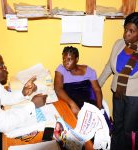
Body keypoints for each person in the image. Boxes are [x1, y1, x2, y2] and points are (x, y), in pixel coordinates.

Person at [0, 50, 47, 149]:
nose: (5, 69)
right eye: (0, 66)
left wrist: (23, 93)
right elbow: (5, 123)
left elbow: (4, 97)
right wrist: (32, 105)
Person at [98, 12, 138, 150]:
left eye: (131, 31)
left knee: (128, 130)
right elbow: (109, 66)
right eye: (125, 29)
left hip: (135, 98)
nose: (126, 34)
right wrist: (97, 85)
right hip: (118, 93)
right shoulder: (119, 44)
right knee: (117, 126)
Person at [54, 46, 103, 117]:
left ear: (76, 59)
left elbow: (97, 89)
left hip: (88, 104)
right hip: (71, 104)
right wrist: (72, 104)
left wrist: (99, 108)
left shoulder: (89, 71)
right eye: (64, 59)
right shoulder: (61, 70)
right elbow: (58, 89)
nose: (66, 62)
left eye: (69, 59)